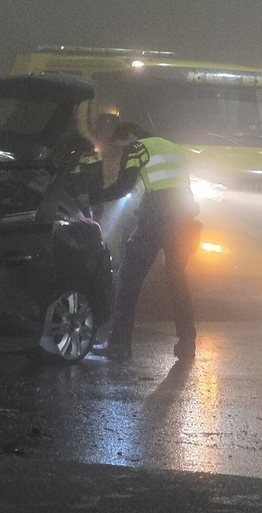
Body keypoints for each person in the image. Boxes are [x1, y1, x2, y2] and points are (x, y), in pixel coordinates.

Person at [90, 122, 201, 359]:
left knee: (127, 279)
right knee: (177, 280)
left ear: (129, 136)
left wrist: (93, 196)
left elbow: (123, 186)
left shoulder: (138, 148)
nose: (122, 152)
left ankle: (118, 345)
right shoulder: (172, 148)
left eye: (121, 147)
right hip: (183, 221)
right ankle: (187, 343)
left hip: (155, 221)